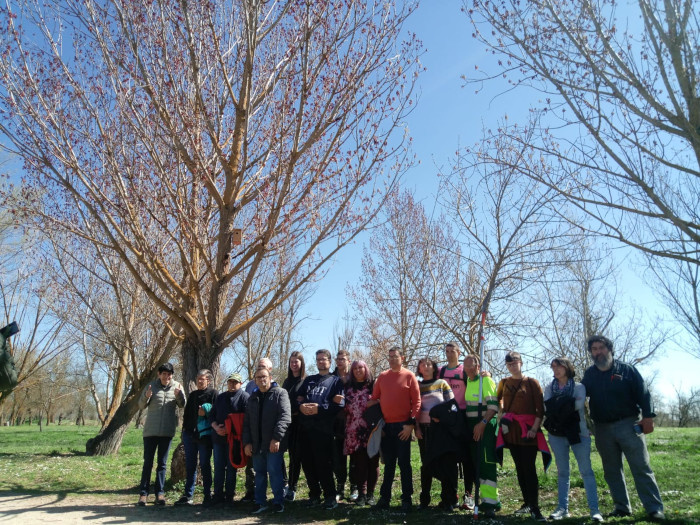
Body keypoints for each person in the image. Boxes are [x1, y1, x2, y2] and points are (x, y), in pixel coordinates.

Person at [581, 335, 664, 521]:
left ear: (609, 349)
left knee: (641, 467)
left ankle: (654, 508)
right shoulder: (590, 374)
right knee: (611, 470)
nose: (598, 352)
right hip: (602, 428)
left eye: (601, 347)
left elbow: (644, 393)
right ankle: (622, 507)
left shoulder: (627, 370)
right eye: (594, 349)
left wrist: (648, 417)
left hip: (629, 424)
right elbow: (579, 396)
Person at [543, 357, 602, 521]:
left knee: (586, 472)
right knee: (563, 473)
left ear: (567, 367)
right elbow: (547, 408)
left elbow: (576, 406)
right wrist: (561, 405)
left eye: (559, 366)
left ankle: (594, 510)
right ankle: (562, 508)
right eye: (553, 367)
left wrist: (557, 405)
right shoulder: (549, 387)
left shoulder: (579, 387)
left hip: (579, 433)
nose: (556, 370)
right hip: (556, 434)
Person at [496, 351, 550, 521]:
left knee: (529, 468)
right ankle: (527, 503)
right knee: (519, 468)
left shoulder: (532, 382)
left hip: (528, 431)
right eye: (509, 364)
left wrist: (534, 428)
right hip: (510, 431)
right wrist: (501, 418)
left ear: (521, 363)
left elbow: (539, 409)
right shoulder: (503, 382)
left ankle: (535, 506)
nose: (512, 366)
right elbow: (496, 400)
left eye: (515, 363)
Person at [368, 346, 421, 512]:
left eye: (395, 357)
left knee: (404, 464)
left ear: (402, 358)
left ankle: (407, 499)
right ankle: (385, 498)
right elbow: (373, 400)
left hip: (403, 427)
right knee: (389, 464)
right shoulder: (382, 377)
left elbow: (417, 402)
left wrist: (411, 425)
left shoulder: (409, 376)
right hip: (386, 427)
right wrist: (378, 425)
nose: (392, 359)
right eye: (389, 357)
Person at [297, 349, 345, 509]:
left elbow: (340, 404)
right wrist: (301, 407)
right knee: (308, 464)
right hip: (305, 428)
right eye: (318, 360)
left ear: (329, 361)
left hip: (323, 430)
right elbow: (298, 399)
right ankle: (314, 495)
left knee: (323, 464)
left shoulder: (335, 381)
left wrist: (320, 408)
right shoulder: (309, 380)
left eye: (323, 359)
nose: (320, 362)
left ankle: (330, 496)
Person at [243, 367, 291, 514]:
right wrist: (247, 442)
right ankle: (260, 502)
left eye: (264, 376)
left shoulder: (280, 394)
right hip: (257, 445)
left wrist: (276, 438)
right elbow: (247, 423)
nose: (261, 380)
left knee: (275, 472)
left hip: (273, 444)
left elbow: (285, 417)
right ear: (255, 380)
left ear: (270, 377)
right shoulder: (252, 398)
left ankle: (278, 502)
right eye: (258, 377)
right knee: (260, 474)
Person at [137, 363, 185, 506]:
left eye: (169, 374)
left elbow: (183, 404)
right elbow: (140, 405)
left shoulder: (177, 386)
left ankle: (160, 493)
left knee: (162, 464)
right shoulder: (151, 386)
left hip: (166, 431)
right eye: (164, 374)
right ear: (159, 374)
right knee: (148, 463)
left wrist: (179, 395)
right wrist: (146, 397)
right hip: (150, 431)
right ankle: (143, 494)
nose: (167, 376)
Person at [464, 354, 501, 518]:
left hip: (484, 426)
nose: (468, 369)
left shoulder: (485, 381)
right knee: (477, 463)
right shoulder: (468, 382)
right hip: (472, 426)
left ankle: (490, 503)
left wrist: (483, 423)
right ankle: (485, 498)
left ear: (478, 366)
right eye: (466, 366)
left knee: (486, 464)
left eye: (472, 366)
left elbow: (493, 407)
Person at [414, 357, 454, 510]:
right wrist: (416, 428)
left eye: (429, 364)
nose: (426, 366)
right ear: (419, 368)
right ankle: (424, 500)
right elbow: (415, 408)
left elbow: (452, 405)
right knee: (426, 464)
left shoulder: (442, 383)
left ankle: (447, 500)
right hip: (423, 430)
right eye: (422, 364)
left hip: (440, 430)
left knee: (444, 464)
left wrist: (443, 419)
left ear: (434, 367)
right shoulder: (416, 385)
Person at [438, 342, 473, 510]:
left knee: (466, 459)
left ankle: (469, 494)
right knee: (449, 459)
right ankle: (451, 495)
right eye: (447, 351)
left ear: (459, 353)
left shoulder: (463, 371)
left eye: (453, 351)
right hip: (447, 420)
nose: (450, 354)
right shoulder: (441, 371)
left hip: (463, 417)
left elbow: (477, 380)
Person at [175, 369, 217, 506]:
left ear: (208, 381)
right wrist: (184, 432)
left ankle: (207, 494)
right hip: (190, 435)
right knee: (191, 465)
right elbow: (186, 415)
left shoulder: (213, 394)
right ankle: (188, 495)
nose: (199, 381)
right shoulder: (192, 395)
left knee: (205, 465)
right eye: (198, 378)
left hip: (205, 436)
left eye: (202, 379)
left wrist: (205, 412)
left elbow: (217, 414)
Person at [343, 360, 379, 506]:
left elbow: (383, 401)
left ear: (366, 369)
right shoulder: (348, 387)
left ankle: (371, 494)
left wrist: (376, 402)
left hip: (372, 430)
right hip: (354, 430)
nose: (358, 370)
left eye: (361, 367)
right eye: (355, 368)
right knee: (359, 464)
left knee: (373, 462)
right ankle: (362, 495)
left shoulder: (373, 386)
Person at [209, 372, 249, 506]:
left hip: (234, 440)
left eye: (235, 382)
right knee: (219, 467)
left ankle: (229, 496)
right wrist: (216, 427)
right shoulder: (220, 397)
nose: (232, 384)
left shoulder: (244, 397)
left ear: (240, 384)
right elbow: (212, 416)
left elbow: (246, 420)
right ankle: (218, 495)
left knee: (232, 468)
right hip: (218, 439)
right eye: (230, 382)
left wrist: (229, 429)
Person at [242, 357, 274, 502]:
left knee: (273, 468)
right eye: (259, 366)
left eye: (264, 366)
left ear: (270, 370)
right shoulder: (249, 385)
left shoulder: (276, 387)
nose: (261, 368)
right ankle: (252, 493)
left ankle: (277, 496)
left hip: (270, 435)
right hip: (254, 434)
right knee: (253, 467)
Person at [281, 351, 306, 502]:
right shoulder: (286, 382)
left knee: (297, 456)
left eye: (296, 362)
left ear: (301, 363)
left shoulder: (306, 381)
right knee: (286, 456)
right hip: (287, 423)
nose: (294, 364)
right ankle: (287, 485)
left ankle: (294, 487)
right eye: (291, 362)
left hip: (300, 423)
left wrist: (301, 401)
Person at [332, 349, 353, 501]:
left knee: (355, 457)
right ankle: (340, 486)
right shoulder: (331, 378)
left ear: (348, 361)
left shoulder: (356, 377)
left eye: (343, 359)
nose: (340, 361)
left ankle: (355, 486)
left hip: (353, 423)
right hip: (336, 423)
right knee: (338, 457)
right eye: (338, 359)